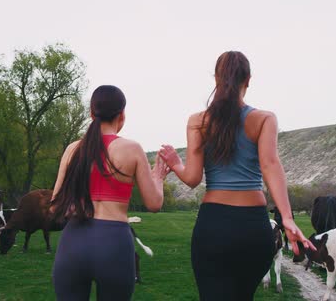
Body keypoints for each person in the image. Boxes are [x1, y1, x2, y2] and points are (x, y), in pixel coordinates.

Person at [159, 51, 316, 301]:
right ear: (248, 80)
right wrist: (286, 218)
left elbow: (192, 178)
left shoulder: (198, 121)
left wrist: (176, 163)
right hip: (253, 228)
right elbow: (270, 166)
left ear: (216, 79)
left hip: (213, 227)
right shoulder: (264, 119)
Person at [51, 85, 170, 301]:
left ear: (91, 113)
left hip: (73, 242)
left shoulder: (72, 149)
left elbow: (54, 206)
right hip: (113, 243)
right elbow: (154, 203)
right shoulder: (132, 149)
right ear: (122, 115)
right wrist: (158, 178)